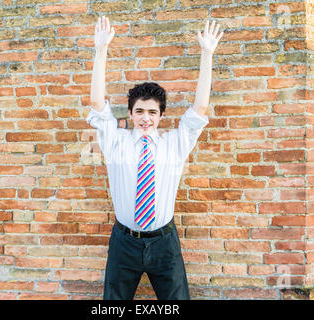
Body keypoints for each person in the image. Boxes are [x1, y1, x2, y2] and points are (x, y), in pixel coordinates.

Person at [86, 16, 224, 300]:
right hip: (124, 242)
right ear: (131, 114)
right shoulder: (116, 142)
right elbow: (98, 104)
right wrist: (100, 50)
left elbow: (200, 107)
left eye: (152, 112)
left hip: (164, 242)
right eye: (139, 111)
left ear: (161, 116)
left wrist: (207, 54)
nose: (145, 118)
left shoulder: (175, 143)